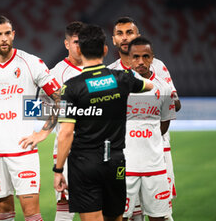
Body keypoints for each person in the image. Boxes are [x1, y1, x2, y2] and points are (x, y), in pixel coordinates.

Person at [0, 15, 61, 221]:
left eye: (7, 33)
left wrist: (43, 132)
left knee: (32, 215)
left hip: (23, 151)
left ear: (13, 34)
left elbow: (59, 98)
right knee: (3, 214)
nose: (4, 38)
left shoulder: (31, 63)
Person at [53, 24, 153, 221]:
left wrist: (58, 169)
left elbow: (65, 132)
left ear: (80, 50)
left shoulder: (71, 87)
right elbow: (148, 85)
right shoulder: (122, 79)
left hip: (84, 163)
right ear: (105, 50)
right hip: (115, 161)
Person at [108, 17, 180, 221]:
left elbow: (173, 102)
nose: (124, 38)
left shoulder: (157, 66)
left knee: (161, 212)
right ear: (113, 40)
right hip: (125, 155)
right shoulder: (112, 72)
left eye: (129, 32)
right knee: (129, 213)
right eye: (120, 34)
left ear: (137, 36)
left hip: (157, 152)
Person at [123, 37, 176, 221]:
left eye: (146, 56)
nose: (141, 62)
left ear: (152, 57)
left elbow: (165, 122)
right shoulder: (118, 86)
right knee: (120, 217)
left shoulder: (165, 88)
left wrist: (148, 138)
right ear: (128, 59)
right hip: (125, 166)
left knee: (158, 217)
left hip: (155, 167)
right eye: (135, 57)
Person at [50, 21, 84, 221]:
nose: (80, 46)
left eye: (84, 42)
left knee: (98, 205)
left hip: (96, 148)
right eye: (76, 42)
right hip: (67, 149)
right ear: (66, 44)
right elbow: (46, 111)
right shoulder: (56, 73)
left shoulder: (97, 68)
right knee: (65, 204)